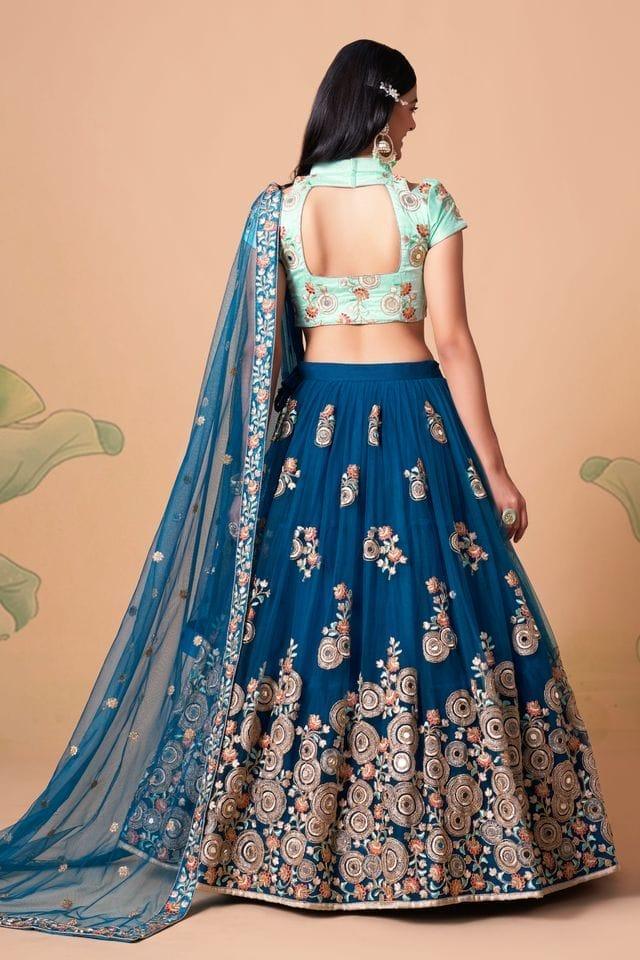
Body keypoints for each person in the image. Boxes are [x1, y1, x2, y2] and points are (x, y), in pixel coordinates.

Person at [0, 40, 618, 942]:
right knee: (428, 613)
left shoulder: (278, 211)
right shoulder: (425, 205)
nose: (418, 119)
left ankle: (278, 845)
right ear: (383, 104)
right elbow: (452, 342)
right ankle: (453, 843)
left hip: (317, 429)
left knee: (305, 617)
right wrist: (495, 469)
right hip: (413, 421)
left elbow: (265, 352)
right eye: (412, 102)